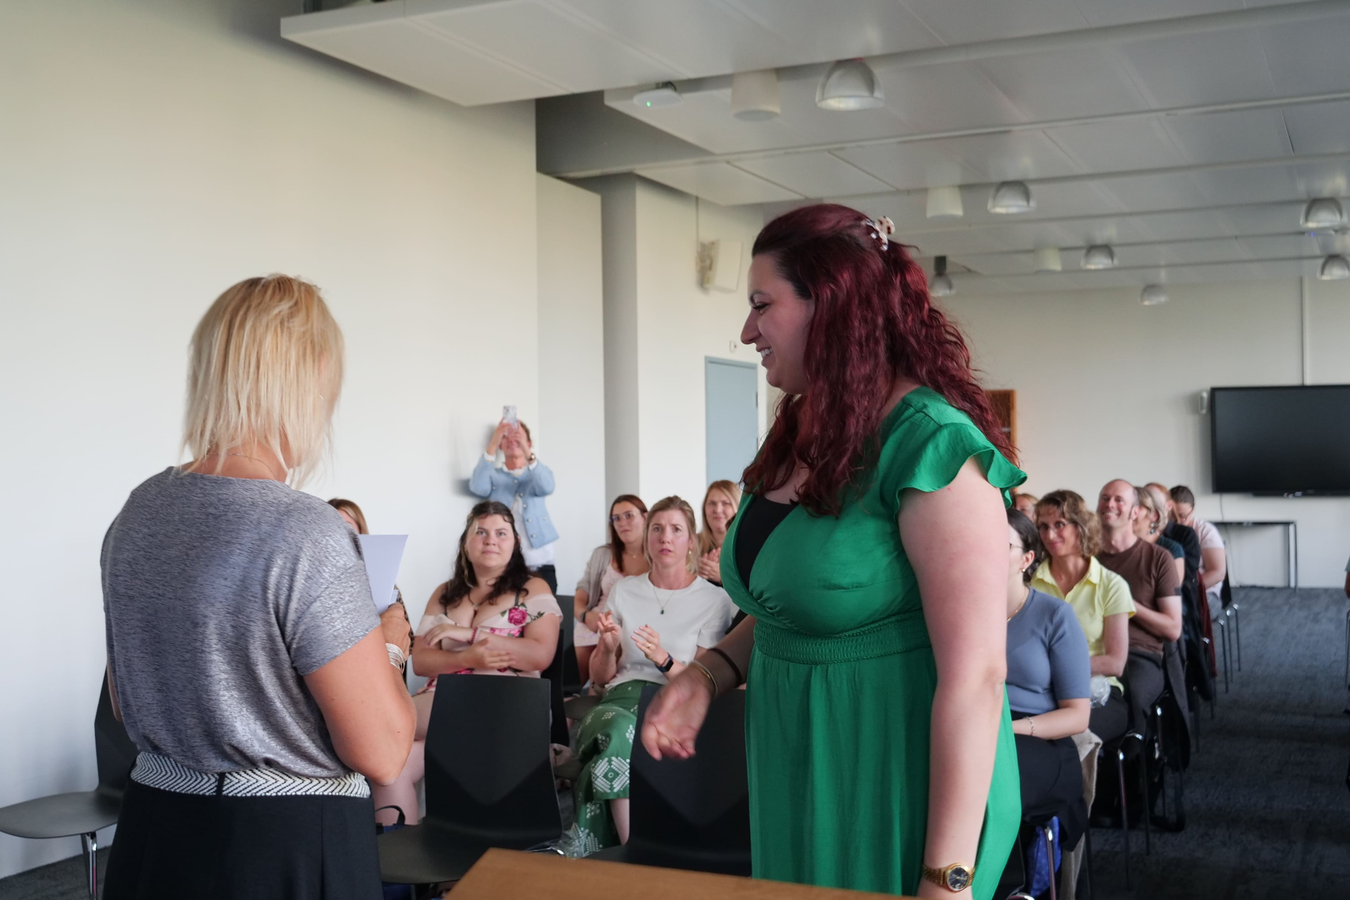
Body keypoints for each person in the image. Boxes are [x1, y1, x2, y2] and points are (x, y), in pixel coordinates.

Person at [641, 205, 1024, 899]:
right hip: (795, 761)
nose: (747, 331)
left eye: (763, 305)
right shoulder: (802, 428)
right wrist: (708, 673)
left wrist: (945, 880)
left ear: (834, 307)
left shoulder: (929, 443)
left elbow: (978, 679)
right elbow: (803, 603)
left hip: (891, 777)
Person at [100, 276, 415, 900]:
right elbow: (381, 751)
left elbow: (122, 701)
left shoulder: (137, 512)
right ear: (311, 375)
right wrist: (390, 647)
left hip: (153, 832)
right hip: (284, 847)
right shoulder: (305, 531)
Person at [372, 501, 562, 827]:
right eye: (481, 532)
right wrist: (467, 658)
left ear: (515, 542)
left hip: (510, 701)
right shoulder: (445, 593)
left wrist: (470, 634)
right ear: (466, 543)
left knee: (401, 728)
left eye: (501, 533)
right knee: (389, 763)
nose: (490, 540)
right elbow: (421, 661)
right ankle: (401, 851)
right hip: (443, 700)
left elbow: (539, 654)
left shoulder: (533, 588)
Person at [570, 496, 734, 853]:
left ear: (691, 540)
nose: (665, 537)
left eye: (676, 529)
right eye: (657, 529)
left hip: (673, 704)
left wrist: (663, 659)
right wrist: (607, 648)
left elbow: (704, 680)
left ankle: (611, 850)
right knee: (618, 729)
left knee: (618, 741)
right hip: (619, 698)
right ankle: (634, 849)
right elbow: (600, 678)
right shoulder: (625, 590)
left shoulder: (714, 600)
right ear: (647, 539)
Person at [1002, 509, 1090, 880]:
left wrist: (1009, 730)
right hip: (978, 728)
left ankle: (1001, 887)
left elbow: (1078, 715)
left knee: (990, 789)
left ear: (1026, 559)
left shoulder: (1055, 614)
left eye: (1000, 544)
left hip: (1038, 737)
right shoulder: (958, 611)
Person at [1030, 490, 1134, 744]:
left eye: (1059, 524)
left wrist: (1056, 670)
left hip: (1097, 691)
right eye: (1043, 526)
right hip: (1041, 690)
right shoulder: (1031, 584)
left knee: (1065, 739)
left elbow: (1115, 663)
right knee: (1020, 736)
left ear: (1081, 527)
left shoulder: (1111, 585)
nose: (1049, 535)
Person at [1095, 480, 1182, 732]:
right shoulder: (1087, 557)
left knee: (1131, 695)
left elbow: (1173, 628)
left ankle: (1133, 752)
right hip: (1092, 650)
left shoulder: (1159, 558)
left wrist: (1124, 602)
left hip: (1138, 654)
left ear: (1135, 512)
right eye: (1104, 498)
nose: (1110, 504)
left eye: (1118, 500)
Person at [470, 418, 559, 593]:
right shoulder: (493, 476)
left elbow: (547, 486)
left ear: (529, 443)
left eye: (518, 435)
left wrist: (528, 452)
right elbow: (477, 486)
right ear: (500, 444)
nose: (512, 439)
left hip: (540, 560)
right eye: (506, 436)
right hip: (505, 563)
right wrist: (493, 443)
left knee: (545, 606)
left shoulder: (537, 473)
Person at [574, 495, 649, 684]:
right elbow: (581, 591)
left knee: (607, 678)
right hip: (596, 621)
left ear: (645, 517)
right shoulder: (603, 554)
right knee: (576, 682)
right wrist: (585, 616)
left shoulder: (656, 555)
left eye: (629, 515)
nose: (622, 523)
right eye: (616, 518)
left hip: (634, 625)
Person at [1170, 485, 1227, 613]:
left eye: (1183, 516)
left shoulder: (1205, 531)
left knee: (1179, 612)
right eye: (1173, 516)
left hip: (1205, 593)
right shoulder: (1164, 530)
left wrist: (1186, 591)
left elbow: (1218, 573)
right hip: (1173, 591)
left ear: (1193, 510)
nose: (1178, 521)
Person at [1133, 487, 1185, 588]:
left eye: (1137, 507)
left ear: (1154, 516)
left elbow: (1172, 593)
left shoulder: (1172, 549)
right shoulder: (1117, 547)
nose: (1130, 512)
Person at [696, 480, 742, 587]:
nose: (717, 510)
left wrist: (724, 577)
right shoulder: (690, 544)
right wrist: (693, 573)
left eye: (726, 503)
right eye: (712, 503)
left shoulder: (747, 549)